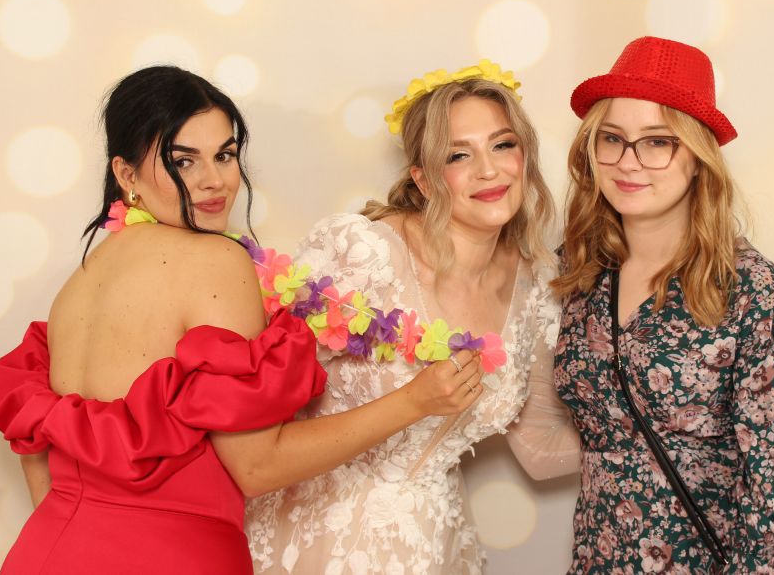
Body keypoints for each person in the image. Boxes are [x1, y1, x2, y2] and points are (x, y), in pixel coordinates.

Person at [0, 66, 481, 574]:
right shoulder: (216, 261)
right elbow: (257, 467)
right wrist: (414, 401)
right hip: (170, 556)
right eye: (183, 160)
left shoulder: (82, 280)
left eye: (224, 154)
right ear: (126, 176)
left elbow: (36, 456)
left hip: (49, 550)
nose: (214, 181)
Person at [245, 61, 580, 574]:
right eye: (458, 155)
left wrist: (668, 441)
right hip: (315, 539)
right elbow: (257, 443)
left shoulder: (536, 281)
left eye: (502, 145)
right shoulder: (362, 253)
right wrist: (412, 402)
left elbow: (538, 444)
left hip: (431, 545)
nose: (488, 170)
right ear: (422, 179)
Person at [552, 37, 774, 573]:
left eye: (657, 142)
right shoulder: (582, 272)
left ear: (699, 158)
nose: (629, 162)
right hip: (598, 559)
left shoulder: (756, 295)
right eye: (613, 138)